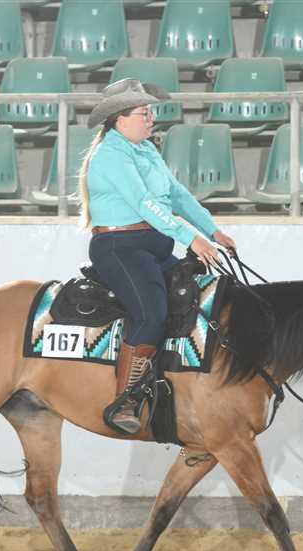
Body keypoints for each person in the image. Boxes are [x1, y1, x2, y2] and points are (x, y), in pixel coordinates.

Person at [79, 78, 237, 435]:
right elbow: (145, 204)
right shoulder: (111, 155)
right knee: (151, 313)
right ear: (120, 119)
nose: (152, 119)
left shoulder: (146, 150)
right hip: (120, 248)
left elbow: (177, 195)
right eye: (144, 113)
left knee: (192, 301)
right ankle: (125, 401)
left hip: (152, 246)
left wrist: (213, 230)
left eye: (151, 112)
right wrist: (191, 238)